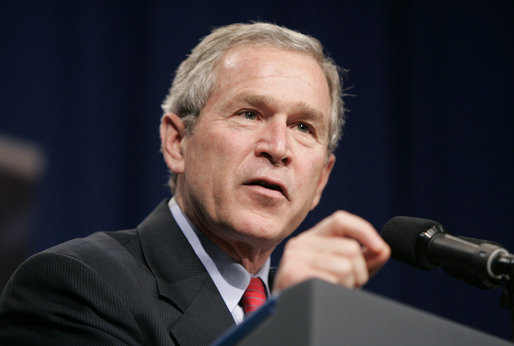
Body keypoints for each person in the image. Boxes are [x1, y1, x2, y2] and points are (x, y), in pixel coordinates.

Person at [0, 22, 390, 345]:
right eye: (250, 113)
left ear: (321, 179)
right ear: (177, 142)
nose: (278, 147)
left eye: (303, 127)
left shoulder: (324, 319)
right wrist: (282, 326)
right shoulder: (76, 287)